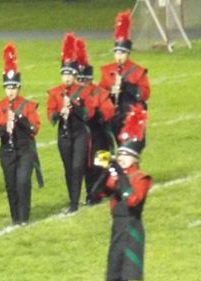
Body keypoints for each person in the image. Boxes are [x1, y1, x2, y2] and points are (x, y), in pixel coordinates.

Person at [90, 107, 157, 281]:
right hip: (118, 228)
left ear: (134, 158)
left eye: (124, 156)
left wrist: (119, 173)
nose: (120, 158)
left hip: (130, 228)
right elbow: (95, 194)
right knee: (114, 280)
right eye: (119, 155)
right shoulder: (119, 175)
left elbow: (132, 200)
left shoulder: (140, 178)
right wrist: (106, 171)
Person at [0, 44, 42, 225]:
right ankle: (15, 218)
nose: (11, 91)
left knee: (23, 181)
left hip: (25, 150)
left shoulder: (28, 106)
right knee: (11, 185)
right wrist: (3, 127)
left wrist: (19, 119)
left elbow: (35, 128)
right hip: (7, 151)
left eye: (14, 87)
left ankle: (24, 217)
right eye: (8, 87)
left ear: (19, 87)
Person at [47, 33, 95, 214]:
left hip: (80, 132)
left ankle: (75, 203)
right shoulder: (55, 92)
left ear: (75, 75)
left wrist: (75, 106)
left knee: (77, 166)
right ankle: (73, 199)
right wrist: (60, 113)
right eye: (64, 74)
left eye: (70, 74)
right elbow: (51, 116)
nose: (67, 78)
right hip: (64, 134)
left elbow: (88, 114)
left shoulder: (83, 91)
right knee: (68, 168)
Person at [99, 10, 150, 139]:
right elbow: (100, 92)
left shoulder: (137, 70)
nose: (119, 56)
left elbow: (144, 94)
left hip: (130, 114)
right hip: (113, 115)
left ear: (128, 54)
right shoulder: (108, 70)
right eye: (117, 53)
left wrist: (126, 86)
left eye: (122, 53)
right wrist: (110, 92)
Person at [76, 38, 116, 203]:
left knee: (100, 165)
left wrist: (98, 112)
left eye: (84, 80)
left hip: (100, 135)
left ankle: (97, 193)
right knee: (86, 167)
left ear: (89, 79)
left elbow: (108, 113)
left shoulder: (99, 93)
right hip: (83, 136)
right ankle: (91, 194)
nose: (81, 83)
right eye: (79, 80)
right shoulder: (72, 94)